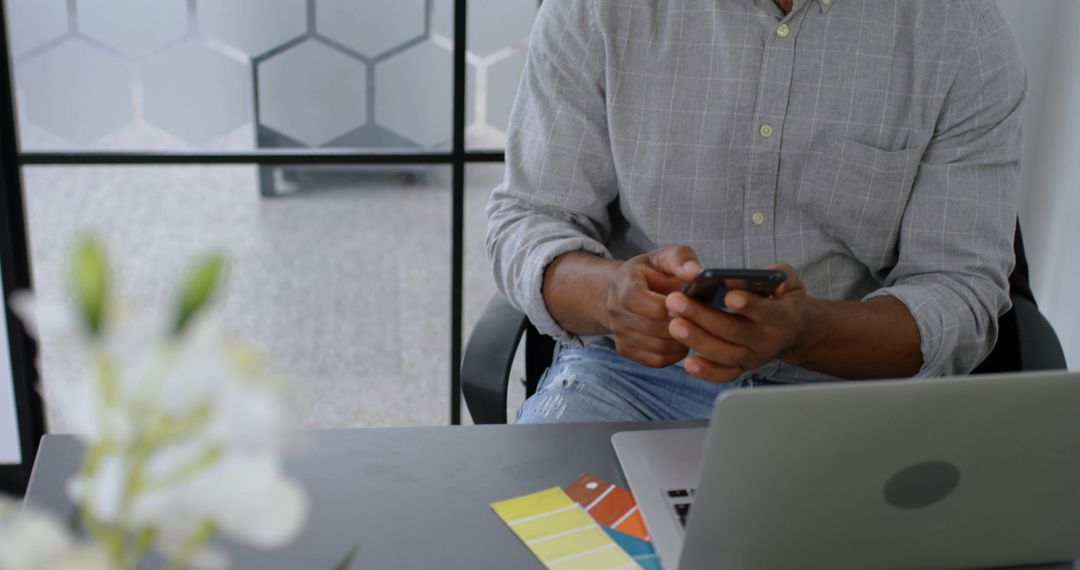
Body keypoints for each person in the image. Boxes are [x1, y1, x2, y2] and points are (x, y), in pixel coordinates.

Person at [486, 0, 1025, 423]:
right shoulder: (596, 7)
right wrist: (611, 297)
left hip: (848, 398)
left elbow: (959, 289)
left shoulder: (961, 32)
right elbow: (528, 220)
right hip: (627, 385)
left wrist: (804, 331)